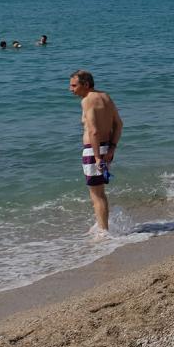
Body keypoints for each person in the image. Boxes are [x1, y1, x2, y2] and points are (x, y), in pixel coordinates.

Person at [69, 70, 123, 233]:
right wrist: (112, 149)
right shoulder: (105, 96)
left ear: (85, 85)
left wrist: (98, 158)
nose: (71, 89)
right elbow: (119, 124)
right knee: (100, 193)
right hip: (106, 148)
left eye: (74, 85)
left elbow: (93, 131)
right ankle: (102, 227)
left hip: (94, 152)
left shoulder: (87, 100)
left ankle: (103, 232)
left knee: (96, 195)